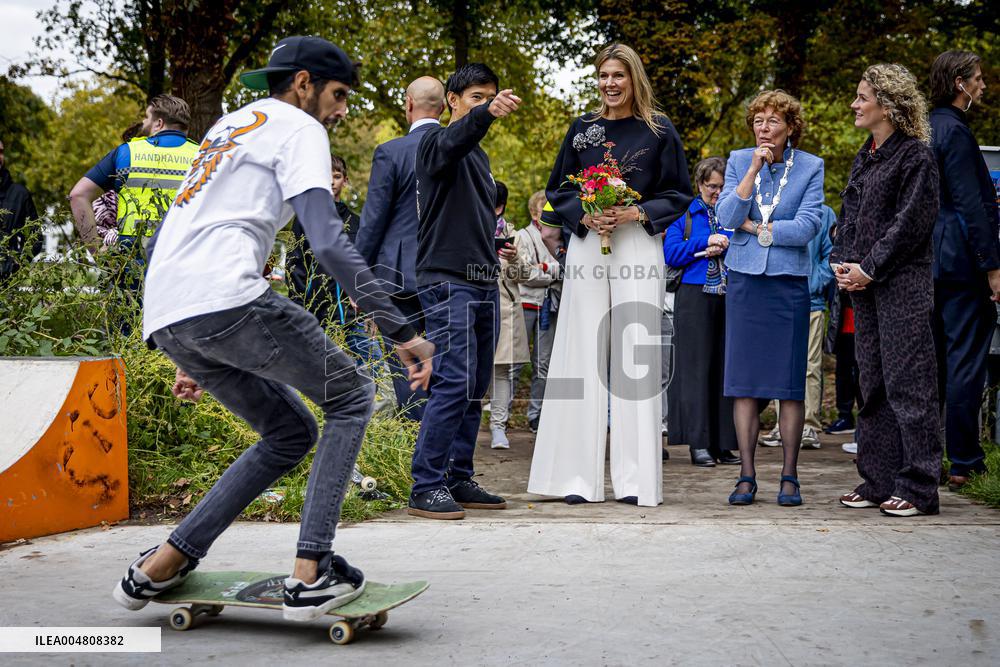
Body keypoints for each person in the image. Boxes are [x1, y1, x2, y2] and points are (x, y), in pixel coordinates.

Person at [111, 36, 434, 621]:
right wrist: (401, 330)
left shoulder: (229, 127)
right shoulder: (299, 128)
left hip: (169, 310)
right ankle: (311, 573)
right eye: (338, 96)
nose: (340, 112)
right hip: (224, 300)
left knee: (288, 433)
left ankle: (162, 563)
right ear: (304, 82)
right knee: (353, 398)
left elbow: (175, 233)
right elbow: (330, 241)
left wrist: (189, 346)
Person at [528, 43, 693, 507]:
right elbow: (557, 188)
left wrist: (634, 213)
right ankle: (572, 479)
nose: (610, 84)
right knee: (579, 350)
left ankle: (636, 481)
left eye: (618, 75)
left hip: (637, 241)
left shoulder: (659, 130)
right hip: (587, 245)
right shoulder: (582, 130)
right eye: (603, 76)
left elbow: (679, 193)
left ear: (633, 78)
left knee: (633, 356)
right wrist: (587, 213)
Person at [407, 63, 521, 519]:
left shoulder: (480, 158)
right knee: (452, 380)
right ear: (452, 101)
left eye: (489, 97)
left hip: (481, 278)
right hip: (445, 280)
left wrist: (497, 246)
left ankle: (457, 476)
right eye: (476, 97)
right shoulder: (436, 142)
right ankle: (426, 484)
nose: (485, 104)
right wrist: (486, 114)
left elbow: (463, 218)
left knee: (474, 385)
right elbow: (456, 139)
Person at [833, 63, 941, 517]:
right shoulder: (867, 154)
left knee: (908, 387)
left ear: (888, 104)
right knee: (872, 384)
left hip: (901, 287)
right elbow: (850, 215)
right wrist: (842, 263)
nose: (855, 105)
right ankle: (877, 480)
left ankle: (918, 487)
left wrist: (869, 268)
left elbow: (909, 226)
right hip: (862, 288)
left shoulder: (915, 156)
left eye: (862, 97)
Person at [716, 90, 824, 507]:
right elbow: (725, 218)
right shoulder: (740, 159)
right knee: (743, 383)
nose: (764, 127)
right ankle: (746, 475)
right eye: (759, 120)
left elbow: (807, 226)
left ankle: (789, 475)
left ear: (791, 127)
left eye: (773, 120)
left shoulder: (811, 166)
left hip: (787, 285)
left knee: (789, 385)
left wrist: (757, 229)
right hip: (745, 282)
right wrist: (753, 170)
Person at [928, 50, 1000, 491]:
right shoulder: (955, 131)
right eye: (978, 79)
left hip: (928, 265)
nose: (983, 86)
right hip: (960, 265)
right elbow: (974, 206)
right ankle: (966, 461)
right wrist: (992, 266)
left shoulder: (922, 129)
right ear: (959, 83)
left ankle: (927, 456)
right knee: (965, 365)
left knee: (933, 366)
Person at [355, 76, 446, 421]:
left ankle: (416, 443)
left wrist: (358, 279)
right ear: (443, 107)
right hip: (449, 274)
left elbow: (373, 220)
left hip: (399, 275)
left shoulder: (391, 152)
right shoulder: (462, 149)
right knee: (446, 364)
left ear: (409, 103)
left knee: (406, 363)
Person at [663, 156, 741, 467]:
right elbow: (669, 252)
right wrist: (703, 244)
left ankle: (723, 442)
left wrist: (727, 244)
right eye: (712, 186)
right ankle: (699, 443)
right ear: (699, 185)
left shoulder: (732, 212)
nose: (718, 193)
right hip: (694, 296)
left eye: (723, 187)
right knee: (695, 370)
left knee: (725, 369)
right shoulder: (685, 214)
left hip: (730, 296)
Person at [762, 204, 836, 450]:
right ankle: (782, 426)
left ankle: (809, 426)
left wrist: (815, 282)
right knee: (779, 366)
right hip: (777, 299)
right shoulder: (773, 206)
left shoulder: (823, 213)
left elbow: (831, 254)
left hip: (810, 300)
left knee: (809, 365)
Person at [489, 180, 531, 448]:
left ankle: (497, 427)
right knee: (467, 372)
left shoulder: (514, 236)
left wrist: (514, 258)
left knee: (501, 371)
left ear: (499, 206)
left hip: (504, 308)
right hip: (472, 306)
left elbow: (525, 275)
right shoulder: (466, 228)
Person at [516, 191, 562, 433]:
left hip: (549, 305)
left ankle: (537, 414)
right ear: (535, 212)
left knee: (543, 364)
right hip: (526, 303)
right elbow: (525, 274)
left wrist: (545, 267)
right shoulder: (523, 237)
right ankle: (500, 418)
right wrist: (553, 271)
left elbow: (564, 269)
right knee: (514, 362)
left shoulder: (559, 235)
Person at [0, 138, 40, 282]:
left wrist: (16, 264)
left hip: (6, 285)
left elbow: (34, 237)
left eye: (1, 152)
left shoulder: (19, 194)